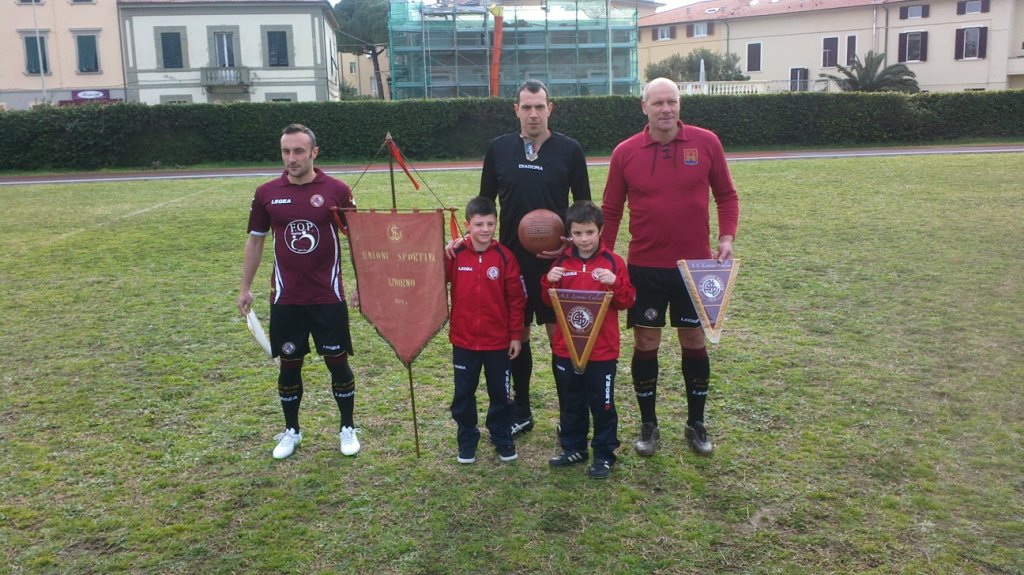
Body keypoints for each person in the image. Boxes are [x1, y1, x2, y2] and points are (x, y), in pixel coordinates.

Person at [601, 78, 740, 457]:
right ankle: (649, 424)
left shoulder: (706, 142)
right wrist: (603, 255)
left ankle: (696, 422)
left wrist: (726, 237)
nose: (666, 109)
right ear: (644, 107)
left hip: (694, 268)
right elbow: (611, 210)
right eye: (658, 102)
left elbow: (726, 195)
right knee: (646, 343)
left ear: (679, 105)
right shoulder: (625, 152)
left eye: (672, 102)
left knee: (694, 342)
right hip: (644, 268)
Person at [237, 123, 362, 460]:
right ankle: (291, 430)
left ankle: (347, 427)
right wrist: (245, 288)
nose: (291, 158)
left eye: (298, 151)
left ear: (314, 153)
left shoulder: (337, 190)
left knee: (338, 363)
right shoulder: (266, 193)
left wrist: (362, 284)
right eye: (286, 151)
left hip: (328, 297)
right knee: (289, 366)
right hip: (286, 299)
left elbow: (358, 239)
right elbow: (255, 241)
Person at [477, 79, 592, 436]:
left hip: (557, 265)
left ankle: (568, 415)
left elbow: (583, 206)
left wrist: (569, 245)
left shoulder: (569, 150)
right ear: (516, 110)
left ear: (550, 108)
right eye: (526, 107)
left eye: (539, 106)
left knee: (562, 338)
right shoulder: (499, 149)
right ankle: (522, 410)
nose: (533, 114)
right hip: (512, 264)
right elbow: (485, 204)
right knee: (517, 337)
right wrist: (475, 238)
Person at [541, 201, 635, 479]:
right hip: (567, 347)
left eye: (590, 232)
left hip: (601, 351)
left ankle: (604, 454)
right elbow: (548, 301)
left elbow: (627, 301)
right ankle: (574, 447)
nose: (584, 239)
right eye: (578, 233)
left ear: (600, 231)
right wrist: (549, 280)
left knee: (602, 403)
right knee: (571, 400)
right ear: (569, 234)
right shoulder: (561, 263)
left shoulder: (613, 263)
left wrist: (614, 282)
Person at [445, 196, 527, 464]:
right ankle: (467, 438)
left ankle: (501, 435)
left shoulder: (505, 257)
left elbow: (516, 300)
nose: (485, 229)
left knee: (500, 394)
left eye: (490, 224)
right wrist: (444, 251)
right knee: (463, 394)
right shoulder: (455, 255)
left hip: (498, 342)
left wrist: (515, 336)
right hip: (464, 340)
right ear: (467, 225)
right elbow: (433, 280)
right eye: (479, 224)